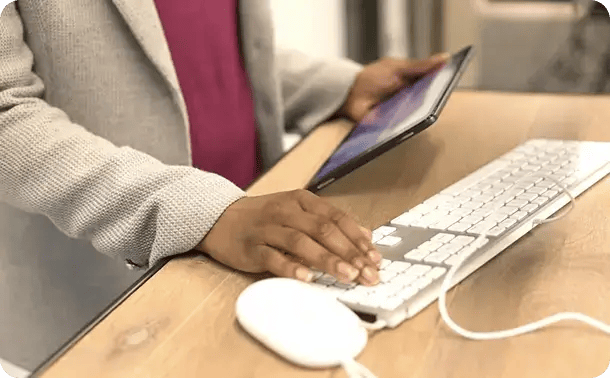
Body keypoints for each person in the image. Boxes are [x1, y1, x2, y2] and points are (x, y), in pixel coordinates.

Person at [0, 0, 448, 288]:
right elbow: (7, 114)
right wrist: (204, 213)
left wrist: (339, 86)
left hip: (251, 240)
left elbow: (209, 52)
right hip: (99, 291)